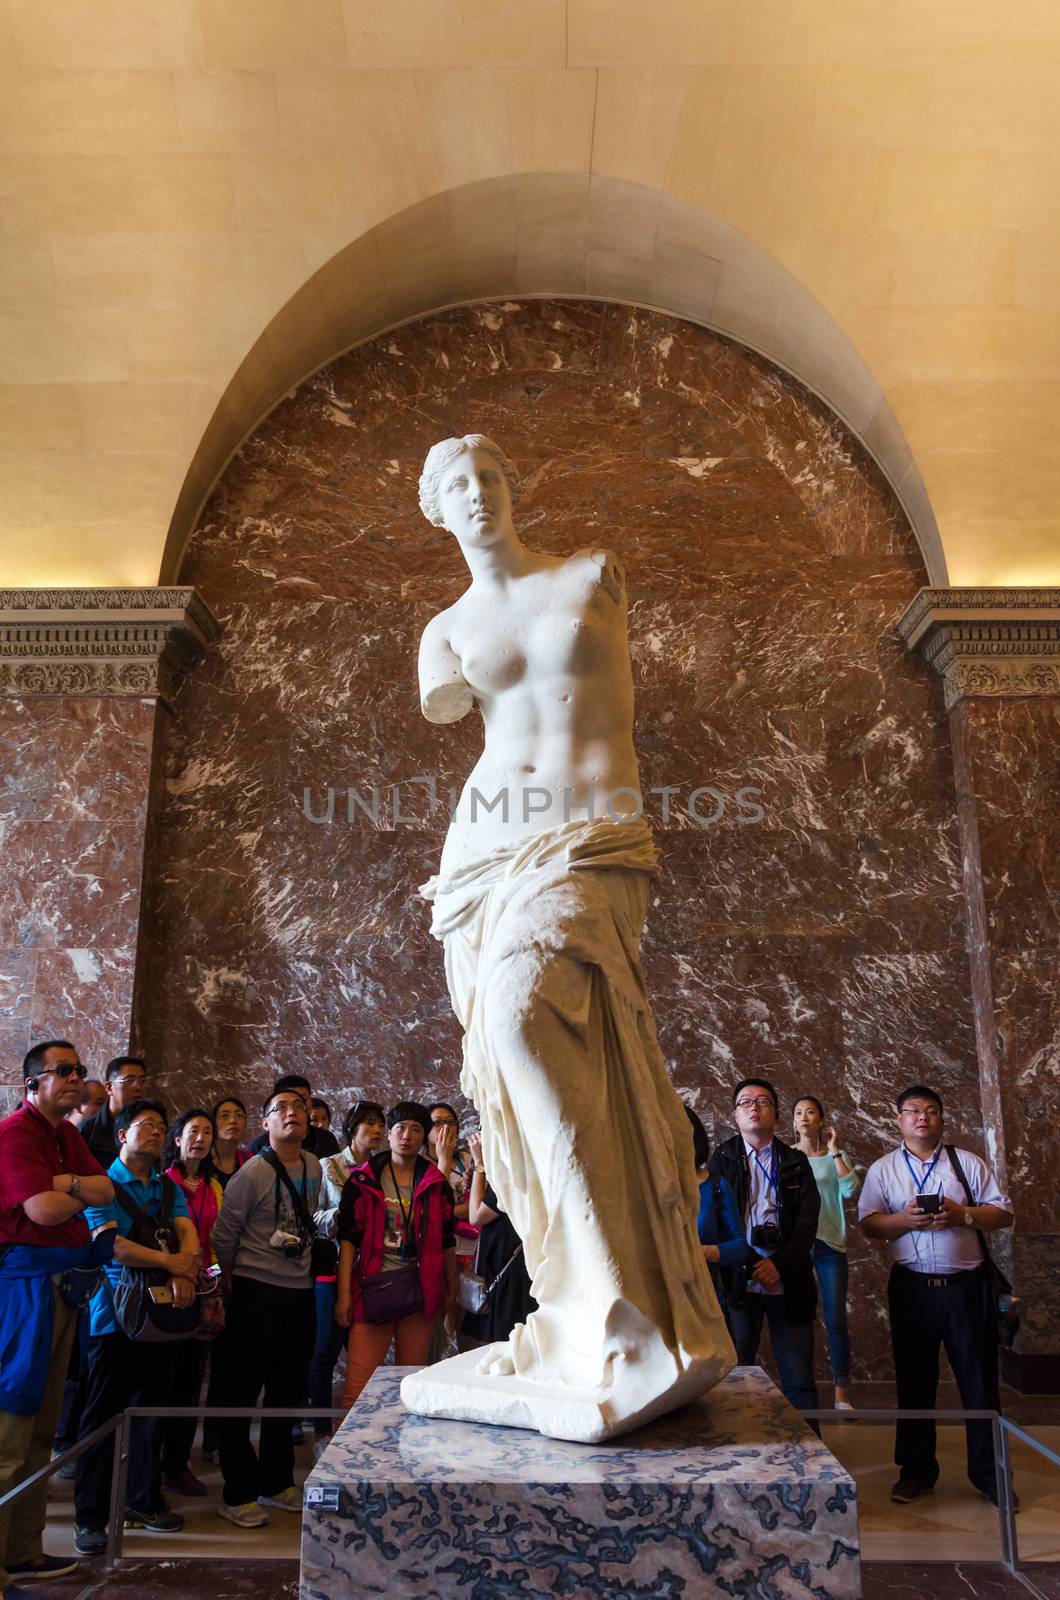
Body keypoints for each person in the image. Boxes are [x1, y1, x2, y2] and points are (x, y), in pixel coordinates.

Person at [411, 435, 732, 1436]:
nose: (476, 494)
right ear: (435, 507)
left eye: (490, 477)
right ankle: (595, 1301)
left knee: (517, 1023)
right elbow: (457, 710)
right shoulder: (445, 633)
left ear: (514, 487)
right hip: (486, 856)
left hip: (590, 839)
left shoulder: (591, 575)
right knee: (523, 1051)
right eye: (455, 485)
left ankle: (617, 1303)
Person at [858, 1084, 1015, 1507]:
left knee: (980, 1383)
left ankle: (991, 1476)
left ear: (942, 1118)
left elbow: (1002, 1212)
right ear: (899, 1120)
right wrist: (903, 1220)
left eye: (930, 1110)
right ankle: (916, 1472)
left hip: (967, 1288)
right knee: (914, 1381)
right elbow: (869, 1224)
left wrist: (961, 1214)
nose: (921, 1117)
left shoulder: (967, 1163)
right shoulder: (884, 1169)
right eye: (912, 1110)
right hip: (912, 1288)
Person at [0, 1042, 114, 1590]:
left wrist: (64, 1183)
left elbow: (105, 1190)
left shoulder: (67, 1135)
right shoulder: (15, 1134)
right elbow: (42, 1211)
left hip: (64, 1288)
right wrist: (71, 1188)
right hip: (23, 1294)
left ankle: (21, 1551)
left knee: (44, 1430)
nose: (74, 1078)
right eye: (62, 1071)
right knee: (10, 1430)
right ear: (32, 1083)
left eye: (79, 1071)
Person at [73, 1098, 199, 1556]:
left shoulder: (167, 1187)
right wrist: (174, 1264)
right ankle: (90, 1517)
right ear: (122, 1134)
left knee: (152, 1412)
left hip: (160, 1314)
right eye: (145, 1124)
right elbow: (112, 1247)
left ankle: (144, 1501)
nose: (155, 1131)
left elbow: (187, 1228)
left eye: (161, 1126)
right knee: (102, 1417)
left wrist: (185, 1271)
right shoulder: (101, 1185)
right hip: (114, 1318)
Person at [210, 1082, 321, 1528]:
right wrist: (238, 1281)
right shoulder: (252, 1172)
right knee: (240, 1392)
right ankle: (237, 1491)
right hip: (256, 1291)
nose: (291, 1113)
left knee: (287, 1389)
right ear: (266, 1123)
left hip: (300, 1292)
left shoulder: (313, 1165)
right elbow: (223, 1236)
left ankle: (277, 1482)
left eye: (299, 1107)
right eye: (280, 1109)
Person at [708, 1078, 820, 1418]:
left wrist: (779, 1266)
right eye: (745, 1102)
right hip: (738, 1281)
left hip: (789, 1279)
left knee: (799, 1375)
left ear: (775, 1112)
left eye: (763, 1101)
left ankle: (809, 1461)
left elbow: (806, 1222)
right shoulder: (722, 1159)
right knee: (732, 1371)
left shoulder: (795, 1161)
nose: (754, 1107)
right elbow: (714, 1222)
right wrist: (754, 1262)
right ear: (735, 1114)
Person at [335, 1103, 457, 1411]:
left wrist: (452, 1290)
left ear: (424, 1137)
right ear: (389, 1135)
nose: (407, 1136)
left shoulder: (436, 1184)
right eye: (400, 1129)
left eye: (416, 1129)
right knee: (358, 1389)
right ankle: (352, 1456)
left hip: (421, 1293)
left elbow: (446, 1241)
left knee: (410, 1387)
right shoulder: (363, 1180)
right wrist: (344, 1295)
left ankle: (400, 1455)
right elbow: (348, 1240)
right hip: (372, 1289)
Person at [309, 1102, 387, 1442]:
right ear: (351, 1129)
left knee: (363, 1354)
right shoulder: (329, 1166)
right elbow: (311, 1217)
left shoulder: (386, 1171)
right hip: (333, 1269)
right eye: (369, 1124)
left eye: (380, 1125)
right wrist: (342, 1219)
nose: (376, 1131)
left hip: (372, 1272)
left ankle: (359, 1430)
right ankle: (322, 1431)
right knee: (325, 1350)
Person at [160, 1109, 223, 1497]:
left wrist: (214, 1279)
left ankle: (177, 1464)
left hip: (204, 1288)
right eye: (192, 1131)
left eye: (206, 1132)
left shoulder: (216, 1185)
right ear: (177, 1139)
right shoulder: (164, 1183)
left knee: (189, 1382)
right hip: (168, 1288)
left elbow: (219, 1237)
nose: (199, 1138)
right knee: (162, 1382)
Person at [793, 1095, 860, 1408]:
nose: (804, 1117)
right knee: (797, 1320)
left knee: (835, 1319)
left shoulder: (836, 1155)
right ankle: (801, 1388)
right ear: (793, 1122)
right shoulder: (788, 1156)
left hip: (830, 1244)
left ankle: (841, 1392)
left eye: (810, 1112)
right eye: (798, 1113)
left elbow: (850, 1189)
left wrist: (834, 1151)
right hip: (797, 1245)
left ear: (821, 1119)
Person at [459, 1131, 536, 1352]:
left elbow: (475, 1216)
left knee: (500, 1350)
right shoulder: (517, 1171)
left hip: (507, 1277)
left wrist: (480, 1165)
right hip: (506, 1272)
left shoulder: (512, 1175)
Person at [683, 1105, 744, 1288]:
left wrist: (705, 1252)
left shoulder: (715, 1185)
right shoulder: (650, 1189)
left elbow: (739, 1243)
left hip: (706, 1288)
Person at [78, 1056, 150, 1166]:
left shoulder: (150, 1128)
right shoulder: (87, 1132)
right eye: (129, 1080)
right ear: (109, 1088)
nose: (138, 1087)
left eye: (142, 1081)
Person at [248, 1074, 338, 1160]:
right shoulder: (258, 1147)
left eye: (301, 1101)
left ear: (311, 1101)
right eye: (283, 1105)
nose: (293, 1111)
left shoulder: (326, 1139)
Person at [209, 1097, 250, 1191]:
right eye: (224, 1116)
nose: (232, 1121)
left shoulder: (249, 1161)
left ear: (245, 1124)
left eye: (239, 1115)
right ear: (213, 1124)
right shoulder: (202, 1161)